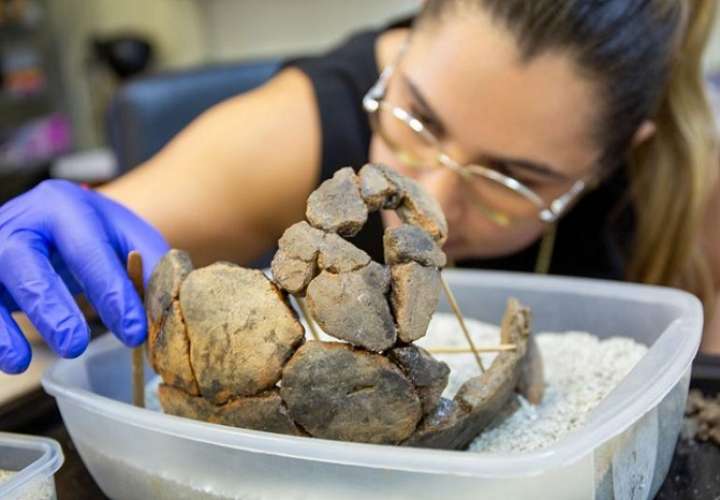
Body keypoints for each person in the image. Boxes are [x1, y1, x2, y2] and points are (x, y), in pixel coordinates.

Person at [1, 0, 719, 374]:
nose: (429, 206)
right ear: (403, 46)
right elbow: (60, 280)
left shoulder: (689, 188)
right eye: (417, 119)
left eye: (513, 177)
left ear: (616, 158)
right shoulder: (287, 133)